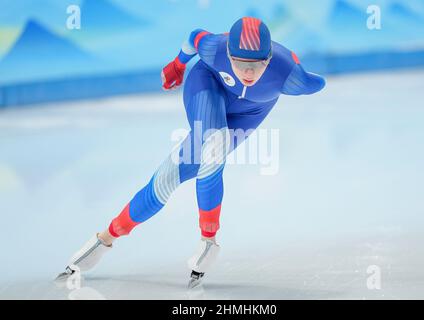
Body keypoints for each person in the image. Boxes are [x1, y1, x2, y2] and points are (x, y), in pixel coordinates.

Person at [56, 17, 326, 288]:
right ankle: (202, 240)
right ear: (228, 54)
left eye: (255, 65)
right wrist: (178, 66)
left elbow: (317, 83)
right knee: (214, 145)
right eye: (240, 63)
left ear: (268, 60)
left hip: (249, 113)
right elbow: (194, 36)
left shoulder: (292, 77)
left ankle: (108, 238)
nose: (247, 72)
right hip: (207, 85)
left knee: (167, 178)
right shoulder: (214, 48)